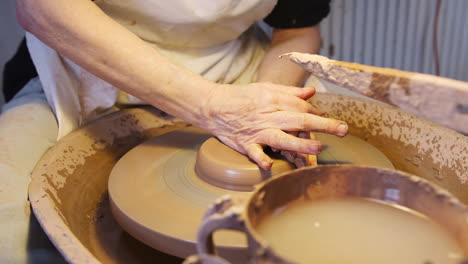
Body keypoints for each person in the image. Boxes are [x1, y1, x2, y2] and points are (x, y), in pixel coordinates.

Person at [1, 0, 347, 262]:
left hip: (237, 68)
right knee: (8, 224)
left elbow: (298, 29)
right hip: (82, 66)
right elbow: (41, 8)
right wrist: (211, 105)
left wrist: (266, 109)